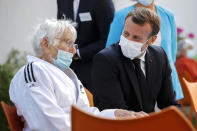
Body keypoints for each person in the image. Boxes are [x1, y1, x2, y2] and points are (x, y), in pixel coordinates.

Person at [9, 19, 148, 131]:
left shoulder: (66, 74)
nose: (73, 50)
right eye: (68, 42)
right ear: (46, 43)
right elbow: (48, 124)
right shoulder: (34, 72)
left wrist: (115, 115)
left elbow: (85, 114)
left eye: (73, 45)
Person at [92, 8, 177, 112]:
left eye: (136, 37)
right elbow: (117, 110)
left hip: (149, 123)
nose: (128, 41)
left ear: (152, 40)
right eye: (126, 34)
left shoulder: (159, 56)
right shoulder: (105, 60)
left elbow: (169, 103)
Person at [105, 0, 183, 100]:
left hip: (165, 82)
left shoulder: (168, 15)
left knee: (168, 114)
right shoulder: (122, 15)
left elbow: (172, 51)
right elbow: (111, 50)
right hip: (134, 80)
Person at [57, 0, 115, 92]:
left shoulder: (102, 2)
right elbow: (61, 30)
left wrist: (78, 53)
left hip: (94, 70)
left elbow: (108, 40)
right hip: (68, 70)